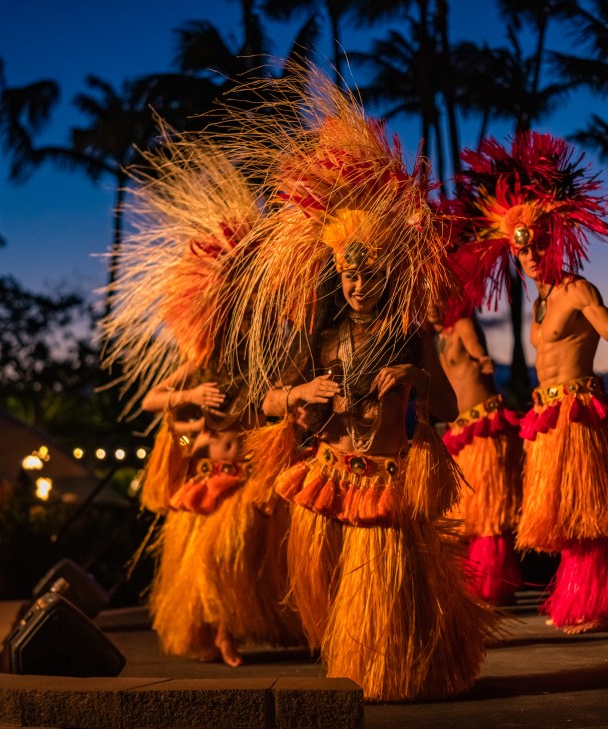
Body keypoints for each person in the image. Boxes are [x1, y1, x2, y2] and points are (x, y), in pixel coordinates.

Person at [220, 65, 498, 701]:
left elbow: (451, 406)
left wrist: (414, 379)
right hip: (330, 474)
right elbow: (263, 400)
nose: (354, 280)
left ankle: (400, 674)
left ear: (385, 268)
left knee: (389, 590)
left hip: (387, 481)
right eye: (346, 270)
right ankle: (364, 671)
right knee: (344, 593)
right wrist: (299, 396)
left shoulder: (408, 331)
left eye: (365, 269)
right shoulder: (322, 335)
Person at [103, 131, 302, 666]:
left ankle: (253, 627)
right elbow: (151, 399)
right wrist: (189, 394)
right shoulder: (205, 355)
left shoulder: (261, 358)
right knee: (212, 562)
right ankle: (220, 636)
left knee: (245, 562)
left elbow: (274, 404)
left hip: (247, 481)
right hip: (207, 481)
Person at [454, 131, 608, 634]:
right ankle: (589, 600)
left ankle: (596, 605)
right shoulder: (538, 303)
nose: (528, 256)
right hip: (547, 420)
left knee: (587, 513)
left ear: (553, 242)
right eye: (520, 251)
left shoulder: (575, 290)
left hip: (580, 414)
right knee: (568, 517)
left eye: (537, 245)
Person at [433, 306, 523, 604]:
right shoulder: (436, 338)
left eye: (435, 300)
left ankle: (492, 585)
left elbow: (476, 348)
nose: (429, 309)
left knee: (488, 512)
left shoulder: (462, 323)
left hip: (484, 429)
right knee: (463, 515)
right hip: (458, 434)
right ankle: (476, 583)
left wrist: (482, 359)